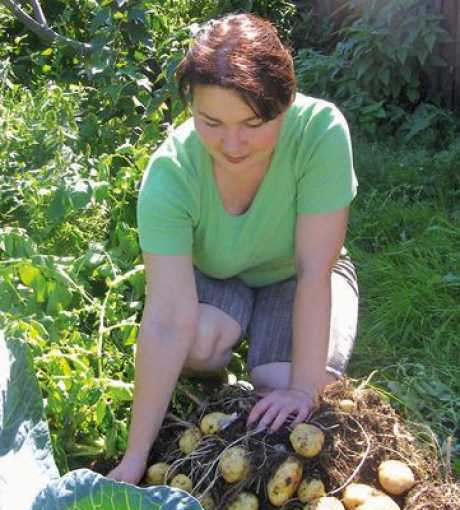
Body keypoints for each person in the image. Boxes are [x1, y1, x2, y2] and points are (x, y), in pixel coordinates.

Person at [107, 13, 359, 484]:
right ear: (190, 107)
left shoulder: (320, 132)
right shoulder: (171, 175)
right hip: (220, 277)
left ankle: (270, 371)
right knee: (197, 344)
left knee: (284, 391)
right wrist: (133, 459)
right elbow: (165, 320)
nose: (234, 143)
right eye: (212, 122)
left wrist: (304, 388)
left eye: (254, 122)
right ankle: (228, 377)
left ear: (285, 104)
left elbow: (313, 270)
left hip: (297, 278)